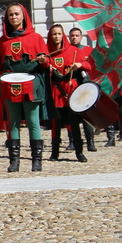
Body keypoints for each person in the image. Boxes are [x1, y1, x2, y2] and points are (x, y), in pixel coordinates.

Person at [0, 3, 49, 172]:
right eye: (10, 15)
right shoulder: (1, 42)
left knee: (33, 121)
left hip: (30, 82)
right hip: (10, 83)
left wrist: (42, 60)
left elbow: (47, 62)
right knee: (13, 123)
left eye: (16, 14)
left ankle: (36, 160)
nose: (14, 17)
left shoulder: (36, 38)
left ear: (23, 16)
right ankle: (14, 161)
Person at [45, 24, 87, 163]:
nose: (56, 37)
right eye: (54, 34)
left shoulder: (73, 51)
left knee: (74, 122)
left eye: (58, 34)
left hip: (70, 90)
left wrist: (80, 65)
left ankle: (79, 152)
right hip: (56, 91)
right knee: (56, 123)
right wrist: (47, 68)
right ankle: (55, 152)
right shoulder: (47, 53)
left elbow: (90, 64)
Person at [68, 27, 97, 152]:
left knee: (87, 114)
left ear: (81, 37)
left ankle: (90, 141)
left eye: (76, 35)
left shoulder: (88, 50)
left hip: (85, 84)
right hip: (71, 85)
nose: (74, 37)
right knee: (72, 115)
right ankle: (73, 141)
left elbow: (92, 65)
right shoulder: (66, 51)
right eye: (72, 35)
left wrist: (81, 65)